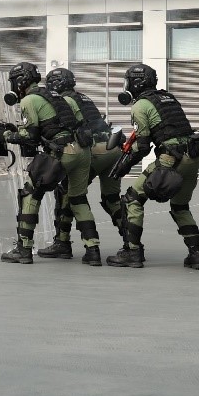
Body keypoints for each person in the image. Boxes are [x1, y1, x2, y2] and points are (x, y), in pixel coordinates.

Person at [107, 63, 199, 269]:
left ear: (135, 83)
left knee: (133, 199)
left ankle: (132, 252)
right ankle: (196, 254)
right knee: (180, 206)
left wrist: (125, 166)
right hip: (192, 157)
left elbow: (142, 146)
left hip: (171, 159)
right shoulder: (168, 98)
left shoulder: (140, 106)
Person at [0, 62, 99, 265]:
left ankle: (23, 249)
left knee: (30, 194)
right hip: (83, 152)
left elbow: (30, 135)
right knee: (78, 199)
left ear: (20, 81)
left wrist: (8, 135)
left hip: (62, 152)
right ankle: (93, 250)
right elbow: (81, 122)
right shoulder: (60, 97)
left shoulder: (29, 100)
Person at [37, 67, 123, 262]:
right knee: (112, 199)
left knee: (69, 193)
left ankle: (65, 243)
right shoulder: (83, 97)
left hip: (94, 151)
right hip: (112, 148)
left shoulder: (64, 101)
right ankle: (131, 244)